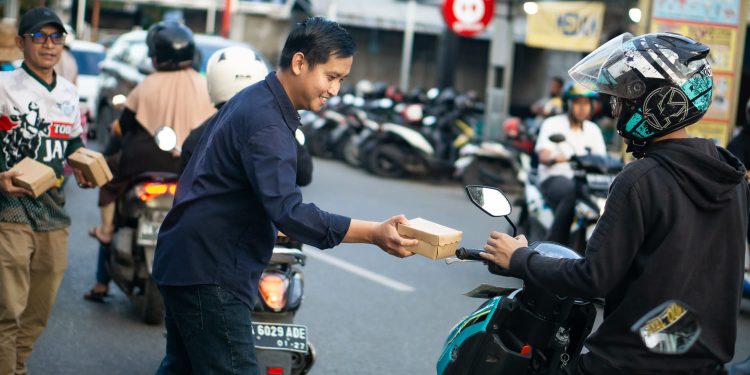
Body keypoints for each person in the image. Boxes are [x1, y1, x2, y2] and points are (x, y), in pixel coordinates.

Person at [152, 17, 417, 374]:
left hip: (189, 259)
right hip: (209, 271)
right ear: (299, 63)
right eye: (331, 77)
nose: (334, 90)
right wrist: (373, 233)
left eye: (341, 80)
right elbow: (289, 212)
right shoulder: (268, 124)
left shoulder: (256, 98)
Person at [480, 32, 748, 374]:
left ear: (656, 104)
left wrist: (520, 258)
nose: (614, 107)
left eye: (622, 98)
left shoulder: (640, 179)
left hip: (629, 363)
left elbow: (594, 277)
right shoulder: (731, 175)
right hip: (706, 364)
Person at [83, 20, 215, 302]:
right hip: (188, 166)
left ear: (157, 54)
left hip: (144, 161)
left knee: (109, 179)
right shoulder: (205, 86)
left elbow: (125, 126)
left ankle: (104, 259)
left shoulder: (147, 84)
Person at [0, 7, 95, 374]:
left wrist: (85, 167)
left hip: (54, 214)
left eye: (56, 37)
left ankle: (15, 363)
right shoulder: (4, 86)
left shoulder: (70, 93)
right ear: (20, 42)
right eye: (39, 36)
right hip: (10, 210)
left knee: (38, 313)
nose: (49, 44)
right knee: (8, 310)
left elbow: (72, 147)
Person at [534, 82, 607, 246]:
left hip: (587, 182)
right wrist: (554, 158)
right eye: (578, 103)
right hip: (554, 178)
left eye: (586, 103)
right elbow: (543, 155)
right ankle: (551, 248)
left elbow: (602, 159)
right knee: (573, 192)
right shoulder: (552, 124)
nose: (582, 108)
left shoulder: (593, 129)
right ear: (569, 103)